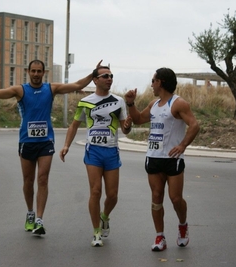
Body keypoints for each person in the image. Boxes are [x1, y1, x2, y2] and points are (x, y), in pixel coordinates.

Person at [0, 59, 101, 236]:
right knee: (28, 181)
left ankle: (40, 219)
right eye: (33, 71)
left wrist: (93, 74)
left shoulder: (51, 88)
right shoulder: (20, 90)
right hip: (27, 141)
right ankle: (30, 213)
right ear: (28, 72)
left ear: (44, 73)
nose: (36, 74)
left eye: (39, 71)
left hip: (46, 142)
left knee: (42, 179)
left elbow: (77, 84)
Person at [124, 68, 200, 251]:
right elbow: (139, 119)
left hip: (172, 159)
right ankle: (160, 237)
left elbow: (194, 125)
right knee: (156, 197)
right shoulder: (154, 104)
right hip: (153, 157)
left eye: (153, 80)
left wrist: (182, 145)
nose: (151, 84)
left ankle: (183, 225)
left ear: (161, 82)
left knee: (175, 199)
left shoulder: (178, 103)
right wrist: (130, 103)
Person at [59, 66, 131, 247]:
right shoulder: (85, 102)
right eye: (105, 76)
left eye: (111, 76)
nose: (109, 78)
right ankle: (96, 231)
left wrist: (128, 124)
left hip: (111, 150)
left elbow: (125, 129)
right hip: (94, 151)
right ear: (95, 80)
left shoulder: (119, 101)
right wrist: (66, 145)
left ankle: (105, 216)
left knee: (113, 195)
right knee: (96, 191)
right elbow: (74, 125)